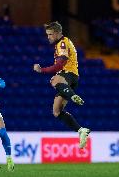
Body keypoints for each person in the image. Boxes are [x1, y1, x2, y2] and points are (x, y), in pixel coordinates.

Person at [33, 21, 90, 149]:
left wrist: (42, 70)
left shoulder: (62, 43)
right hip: (72, 79)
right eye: (47, 34)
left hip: (68, 75)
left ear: (58, 33)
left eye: (50, 34)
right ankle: (81, 130)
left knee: (54, 80)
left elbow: (60, 65)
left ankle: (72, 95)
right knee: (56, 111)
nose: (48, 37)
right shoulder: (63, 42)